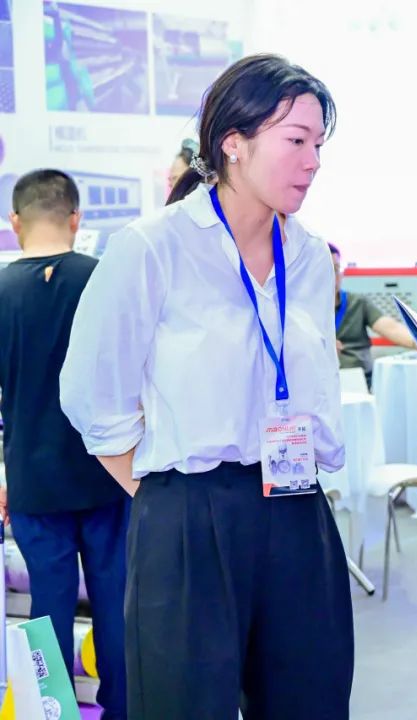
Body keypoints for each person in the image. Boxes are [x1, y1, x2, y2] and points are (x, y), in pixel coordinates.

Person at [58, 55, 352, 720]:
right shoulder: (153, 247)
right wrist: (165, 498)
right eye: (296, 140)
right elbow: (92, 395)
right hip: (189, 509)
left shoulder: (308, 255)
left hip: (296, 502)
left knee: (311, 698)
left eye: (318, 145)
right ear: (234, 144)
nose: (312, 162)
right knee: (185, 703)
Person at [0, 170, 128, 719]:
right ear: (76, 219)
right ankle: (125, 710)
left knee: (47, 610)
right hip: (108, 473)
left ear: (15, 222)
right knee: (117, 604)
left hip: (32, 480)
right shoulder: (104, 281)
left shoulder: (1, 291)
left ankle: (48, 713)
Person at [328, 243, 417, 388]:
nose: (333, 276)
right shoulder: (304, 309)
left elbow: (390, 328)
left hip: (360, 379)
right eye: (326, 270)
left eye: (336, 269)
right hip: (322, 381)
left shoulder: (357, 302)